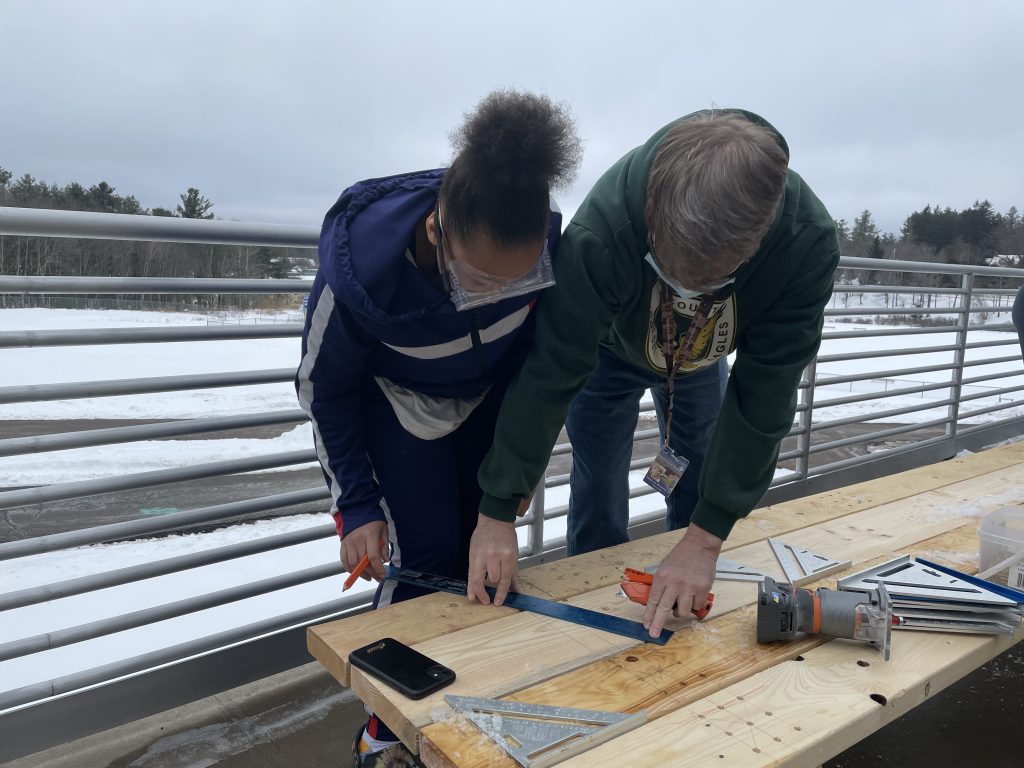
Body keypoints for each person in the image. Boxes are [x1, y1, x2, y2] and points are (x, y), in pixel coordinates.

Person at [466, 108, 840, 642]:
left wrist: (707, 539)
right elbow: (551, 367)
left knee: (698, 469)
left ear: (756, 244)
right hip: (608, 350)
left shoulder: (805, 244)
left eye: (705, 281)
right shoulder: (604, 226)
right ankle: (594, 618)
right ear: (652, 213)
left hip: (700, 357)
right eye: (672, 271)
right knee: (597, 477)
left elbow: (765, 393)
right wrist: (497, 510)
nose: (686, 289)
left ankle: (685, 577)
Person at [295, 90, 581, 768]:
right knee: (425, 562)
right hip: (400, 404)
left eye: (520, 282)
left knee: (486, 561)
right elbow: (322, 386)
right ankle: (385, 736)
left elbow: (538, 368)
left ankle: (464, 718)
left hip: (490, 404)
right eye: (481, 281)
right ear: (435, 231)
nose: (499, 297)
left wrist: (509, 484)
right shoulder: (360, 272)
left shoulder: (538, 242)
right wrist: (356, 504)